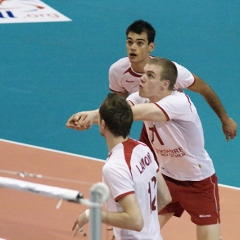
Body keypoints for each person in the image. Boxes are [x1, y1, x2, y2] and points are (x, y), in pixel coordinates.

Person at [66, 57, 222, 240]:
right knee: (133, 231)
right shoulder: (140, 97)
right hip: (166, 178)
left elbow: (131, 113)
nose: (142, 78)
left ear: (165, 84)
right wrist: (91, 118)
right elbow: (120, 110)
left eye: (150, 75)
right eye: (143, 74)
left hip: (197, 180)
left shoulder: (179, 103)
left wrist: (93, 117)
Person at [109, 19, 237, 143]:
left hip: (177, 126)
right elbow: (121, 102)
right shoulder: (117, 71)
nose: (133, 47)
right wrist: (121, 126)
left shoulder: (171, 71)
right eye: (130, 42)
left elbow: (203, 88)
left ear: (151, 47)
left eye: (140, 43)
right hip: (151, 124)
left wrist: (225, 119)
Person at [71, 93, 172, 240]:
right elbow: (165, 198)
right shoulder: (143, 148)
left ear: (103, 124)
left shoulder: (114, 167)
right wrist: (122, 223)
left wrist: (92, 214)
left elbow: (136, 222)